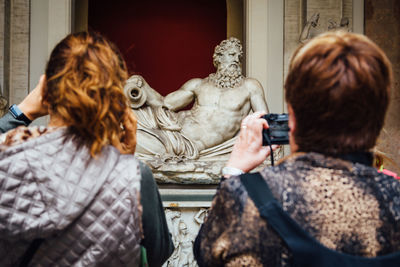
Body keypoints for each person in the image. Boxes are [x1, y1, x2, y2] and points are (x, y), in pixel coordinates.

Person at [194, 32, 400, 266]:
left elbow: (206, 254)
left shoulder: (245, 200)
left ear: (291, 113)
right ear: (379, 116)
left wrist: (233, 172)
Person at [0, 32, 173, 266]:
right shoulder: (135, 176)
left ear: (46, 91)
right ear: (115, 100)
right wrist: (123, 163)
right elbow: (158, 253)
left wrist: (21, 112)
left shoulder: (7, 155)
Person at [132, 37, 269, 159]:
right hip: (170, 129)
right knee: (126, 119)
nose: (236, 60)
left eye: (239, 57)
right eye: (232, 55)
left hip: (184, 145)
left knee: (129, 140)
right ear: (219, 57)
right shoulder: (198, 84)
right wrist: (143, 86)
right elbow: (164, 104)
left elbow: (266, 123)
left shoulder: (249, 86)